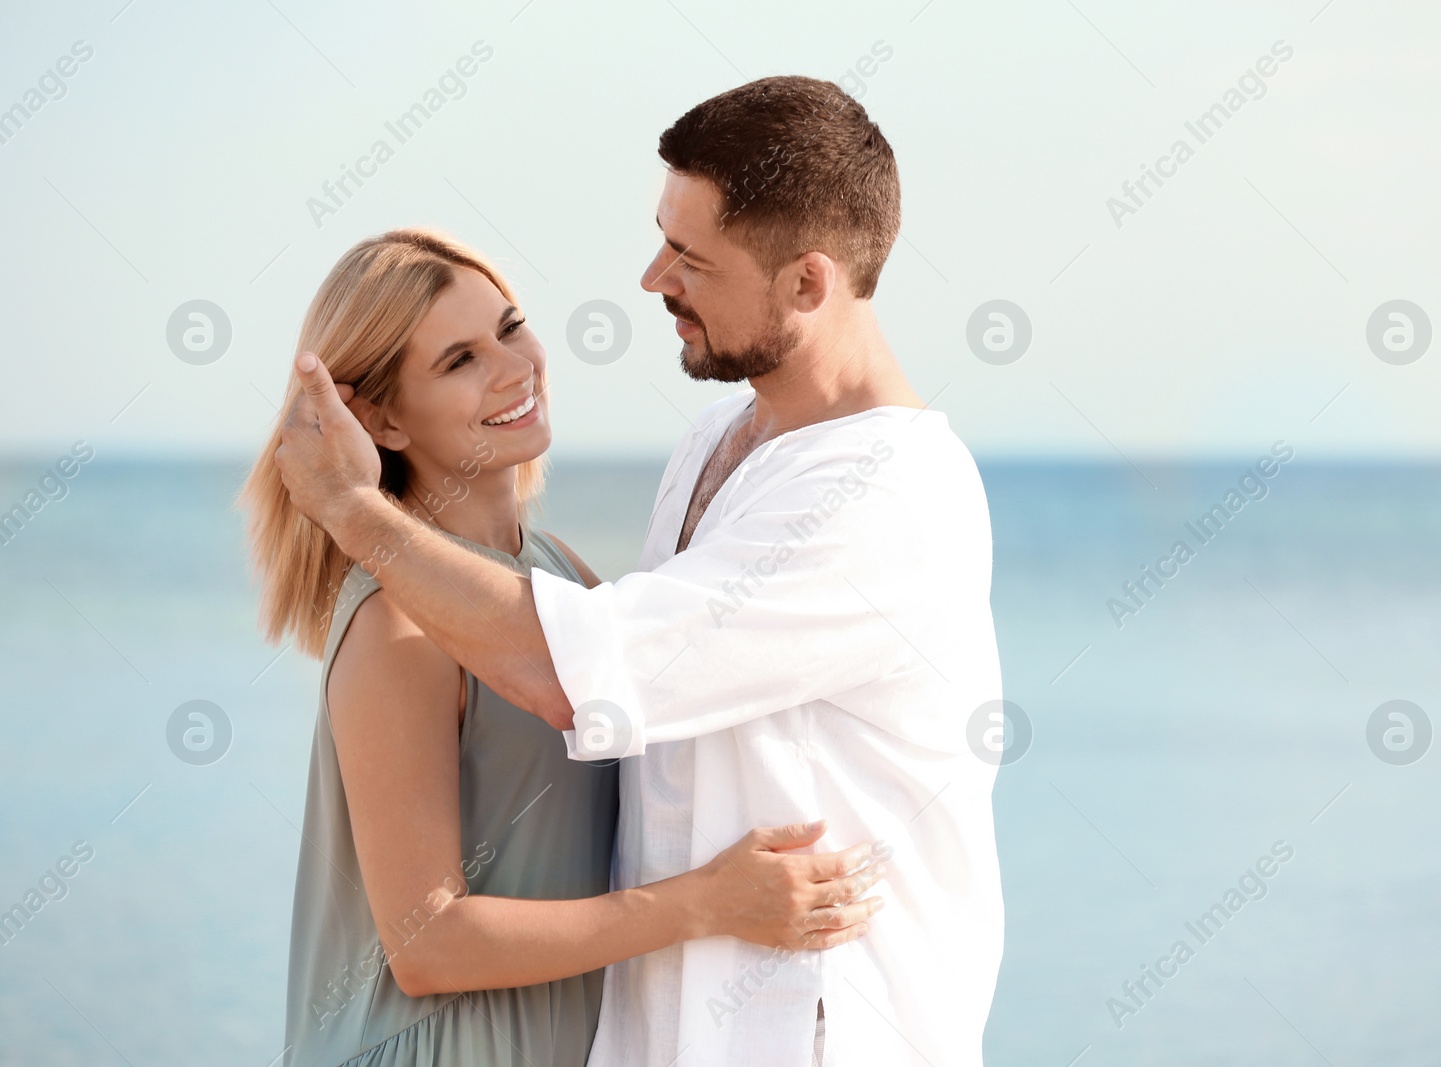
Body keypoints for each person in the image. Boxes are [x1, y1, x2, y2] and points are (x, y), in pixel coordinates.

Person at [275, 76, 1004, 1066]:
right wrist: (692, 906)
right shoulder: (712, 444)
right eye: (663, 235)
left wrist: (350, 509)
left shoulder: (886, 495)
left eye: (691, 257)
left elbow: (560, 666)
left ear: (806, 283)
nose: (653, 276)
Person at [239, 228, 886, 1067]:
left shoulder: (559, 581)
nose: (515, 368)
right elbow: (428, 943)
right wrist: (707, 903)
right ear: (381, 420)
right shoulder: (399, 628)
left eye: (510, 328)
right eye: (460, 360)